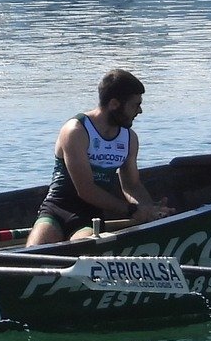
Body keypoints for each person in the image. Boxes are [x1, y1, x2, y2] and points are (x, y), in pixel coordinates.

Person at [26, 68, 169, 247]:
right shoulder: (76, 131)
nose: (139, 111)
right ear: (114, 104)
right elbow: (86, 189)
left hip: (89, 217)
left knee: (83, 249)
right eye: (135, 105)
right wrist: (132, 210)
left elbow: (131, 185)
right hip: (56, 210)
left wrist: (150, 210)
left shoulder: (130, 139)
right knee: (34, 251)